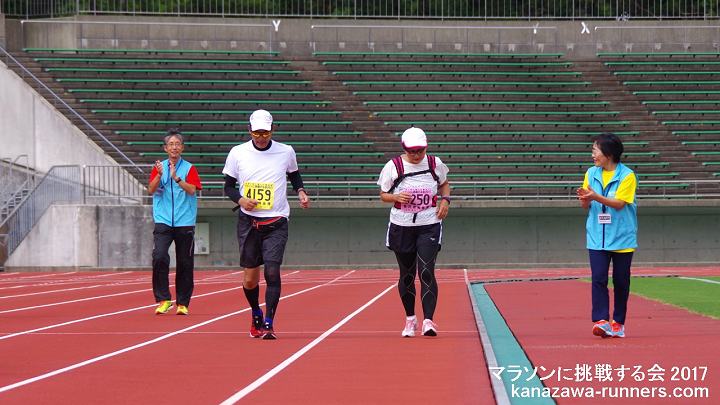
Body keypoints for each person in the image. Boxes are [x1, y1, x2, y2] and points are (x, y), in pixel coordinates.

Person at [222, 109, 310, 340]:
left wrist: (301, 191)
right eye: (257, 133)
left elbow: (294, 174)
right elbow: (228, 186)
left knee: (272, 271)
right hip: (249, 222)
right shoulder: (237, 153)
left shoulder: (286, 151)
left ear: (273, 130)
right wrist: (241, 200)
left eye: (265, 132)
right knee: (250, 279)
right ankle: (256, 312)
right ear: (249, 130)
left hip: (277, 219)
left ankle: (269, 322)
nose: (261, 137)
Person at [377, 127, 451, 337]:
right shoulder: (394, 166)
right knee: (407, 275)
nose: (417, 155)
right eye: (412, 151)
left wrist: (445, 200)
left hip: (429, 223)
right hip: (402, 225)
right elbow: (383, 194)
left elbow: (445, 184)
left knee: (426, 270)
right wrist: (395, 197)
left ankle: (429, 321)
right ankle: (410, 319)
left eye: (420, 150)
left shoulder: (435, 163)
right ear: (404, 149)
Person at [576, 132, 638, 338]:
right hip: (597, 237)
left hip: (622, 238)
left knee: (621, 282)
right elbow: (586, 205)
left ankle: (618, 323)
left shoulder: (627, 176)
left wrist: (595, 196)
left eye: (596, 150)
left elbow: (619, 204)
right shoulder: (591, 173)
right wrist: (585, 199)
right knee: (598, 278)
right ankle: (601, 321)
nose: (593, 155)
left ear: (608, 153)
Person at [147, 128, 203, 315]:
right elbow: (151, 190)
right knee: (159, 256)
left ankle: (182, 303)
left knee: (185, 262)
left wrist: (176, 178)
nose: (174, 147)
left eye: (177, 144)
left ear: (182, 147)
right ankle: (164, 299)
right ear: (165, 148)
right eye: (171, 144)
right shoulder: (159, 167)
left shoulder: (189, 168)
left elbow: (192, 190)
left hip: (184, 221)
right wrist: (159, 174)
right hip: (163, 220)